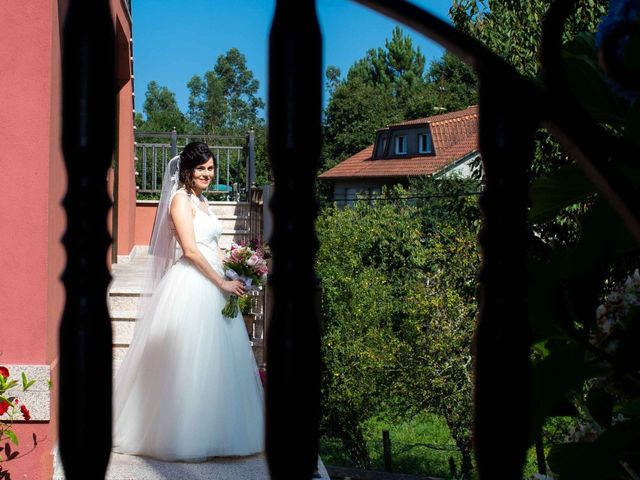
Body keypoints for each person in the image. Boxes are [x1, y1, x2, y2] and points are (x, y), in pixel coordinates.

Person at [112, 142, 265, 461]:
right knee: (189, 363)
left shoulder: (203, 200)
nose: (207, 174)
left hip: (216, 283)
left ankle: (220, 432)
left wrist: (239, 267)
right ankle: (182, 434)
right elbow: (191, 250)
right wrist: (221, 281)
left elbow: (212, 245)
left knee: (218, 364)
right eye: (201, 169)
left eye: (210, 168)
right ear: (186, 171)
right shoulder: (180, 201)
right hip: (192, 284)